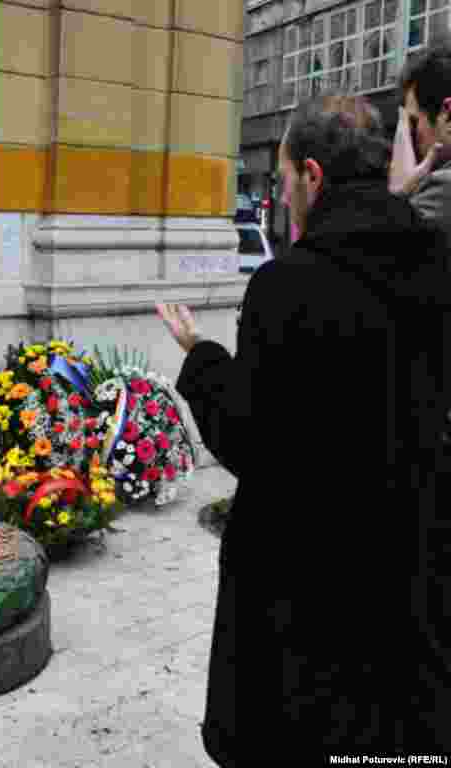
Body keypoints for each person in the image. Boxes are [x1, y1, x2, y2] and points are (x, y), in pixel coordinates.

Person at [157, 93, 451, 763]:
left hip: (302, 596)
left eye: (285, 178)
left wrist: (201, 358)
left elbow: (253, 442)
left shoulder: (288, 286)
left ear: (312, 176)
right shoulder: (437, 258)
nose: (284, 194)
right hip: (408, 572)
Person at [391, 43, 451, 237]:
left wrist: (398, 194)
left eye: (413, 122)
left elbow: (382, 259)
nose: (409, 137)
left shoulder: (443, 187)